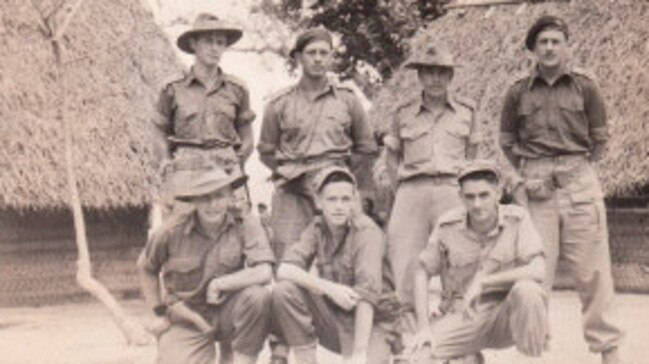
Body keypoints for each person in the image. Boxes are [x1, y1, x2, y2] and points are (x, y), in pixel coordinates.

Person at [499, 15, 624, 364]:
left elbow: (600, 141)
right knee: (535, 271)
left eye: (556, 41)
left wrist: (572, 170)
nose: (550, 48)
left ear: (567, 46)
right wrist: (527, 176)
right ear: (533, 49)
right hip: (536, 188)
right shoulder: (517, 91)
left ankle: (608, 351)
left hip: (579, 180)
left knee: (593, 273)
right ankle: (535, 350)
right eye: (543, 42)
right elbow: (507, 141)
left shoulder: (586, 87)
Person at [257, 27, 378, 363]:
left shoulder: (349, 100)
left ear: (331, 57)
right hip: (292, 190)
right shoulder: (279, 104)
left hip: (335, 186)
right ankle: (281, 346)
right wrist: (290, 172)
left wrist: (339, 175)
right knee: (286, 264)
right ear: (298, 58)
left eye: (325, 53)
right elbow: (265, 149)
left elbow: (366, 147)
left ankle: (356, 337)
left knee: (354, 258)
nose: (318, 59)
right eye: (311, 53)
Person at [383, 43, 480, 331]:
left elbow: (472, 155)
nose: (435, 79)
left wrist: (462, 190)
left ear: (451, 76)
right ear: (419, 76)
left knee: (459, 262)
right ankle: (411, 342)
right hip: (412, 191)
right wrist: (402, 190)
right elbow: (391, 158)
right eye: (428, 73)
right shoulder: (403, 113)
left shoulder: (467, 110)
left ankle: (455, 336)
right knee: (405, 265)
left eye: (441, 73)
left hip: (452, 189)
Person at [409, 160, 548, 363]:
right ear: (460, 197)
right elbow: (422, 272)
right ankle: (468, 356)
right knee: (415, 358)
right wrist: (423, 328)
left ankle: (530, 360)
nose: (477, 204)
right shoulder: (448, 225)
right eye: (470, 197)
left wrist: (484, 282)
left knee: (528, 291)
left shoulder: (517, 219)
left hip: (505, 314)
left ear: (498, 194)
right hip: (463, 314)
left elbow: (538, 270)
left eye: (484, 195)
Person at [137, 168, 274, 364]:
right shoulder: (171, 231)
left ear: (229, 197)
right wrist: (158, 311)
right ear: (194, 201)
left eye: (219, 196)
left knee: (258, 297)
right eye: (205, 198)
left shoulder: (246, 224)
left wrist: (219, 283)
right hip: (187, 318)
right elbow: (146, 267)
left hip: (228, 312)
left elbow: (264, 271)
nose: (212, 205)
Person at [271, 166, 400, 364]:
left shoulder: (367, 232)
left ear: (353, 201)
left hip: (374, 323)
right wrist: (329, 288)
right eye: (332, 199)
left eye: (345, 199)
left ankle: (392, 351)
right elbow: (284, 269)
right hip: (337, 319)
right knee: (284, 291)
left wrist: (358, 355)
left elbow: (367, 299)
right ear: (319, 201)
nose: (339, 206)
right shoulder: (318, 227)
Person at [150, 13, 255, 226]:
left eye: (220, 42)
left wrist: (236, 162)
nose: (215, 48)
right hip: (186, 168)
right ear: (193, 44)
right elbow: (159, 130)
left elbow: (247, 136)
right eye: (208, 41)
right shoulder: (172, 88)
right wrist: (164, 159)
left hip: (225, 168)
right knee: (178, 232)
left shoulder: (237, 89)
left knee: (235, 230)